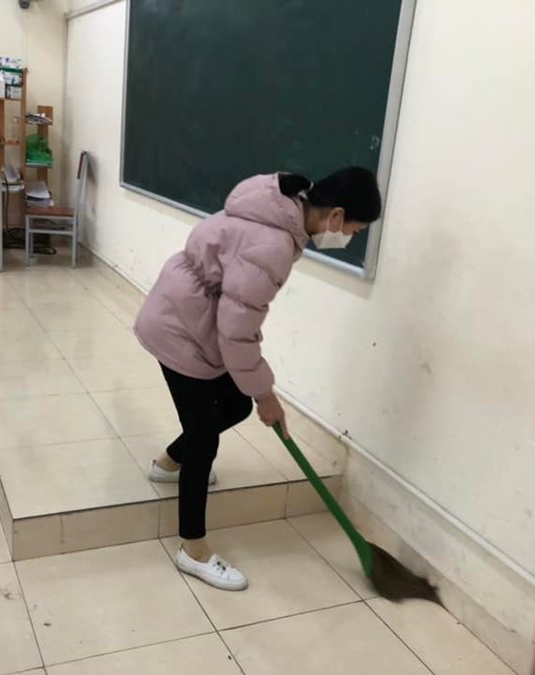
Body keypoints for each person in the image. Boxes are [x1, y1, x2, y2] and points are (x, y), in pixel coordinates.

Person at [134, 168, 382, 591]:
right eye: (354, 231)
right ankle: (193, 549)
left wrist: (256, 393)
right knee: (203, 440)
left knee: (234, 403)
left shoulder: (277, 209)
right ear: (337, 216)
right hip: (181, 327)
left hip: (189, 314)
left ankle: (169, 463)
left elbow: (237, 317)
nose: (350, 239)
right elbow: (237, 331)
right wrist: (267, 395)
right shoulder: (274, 243)